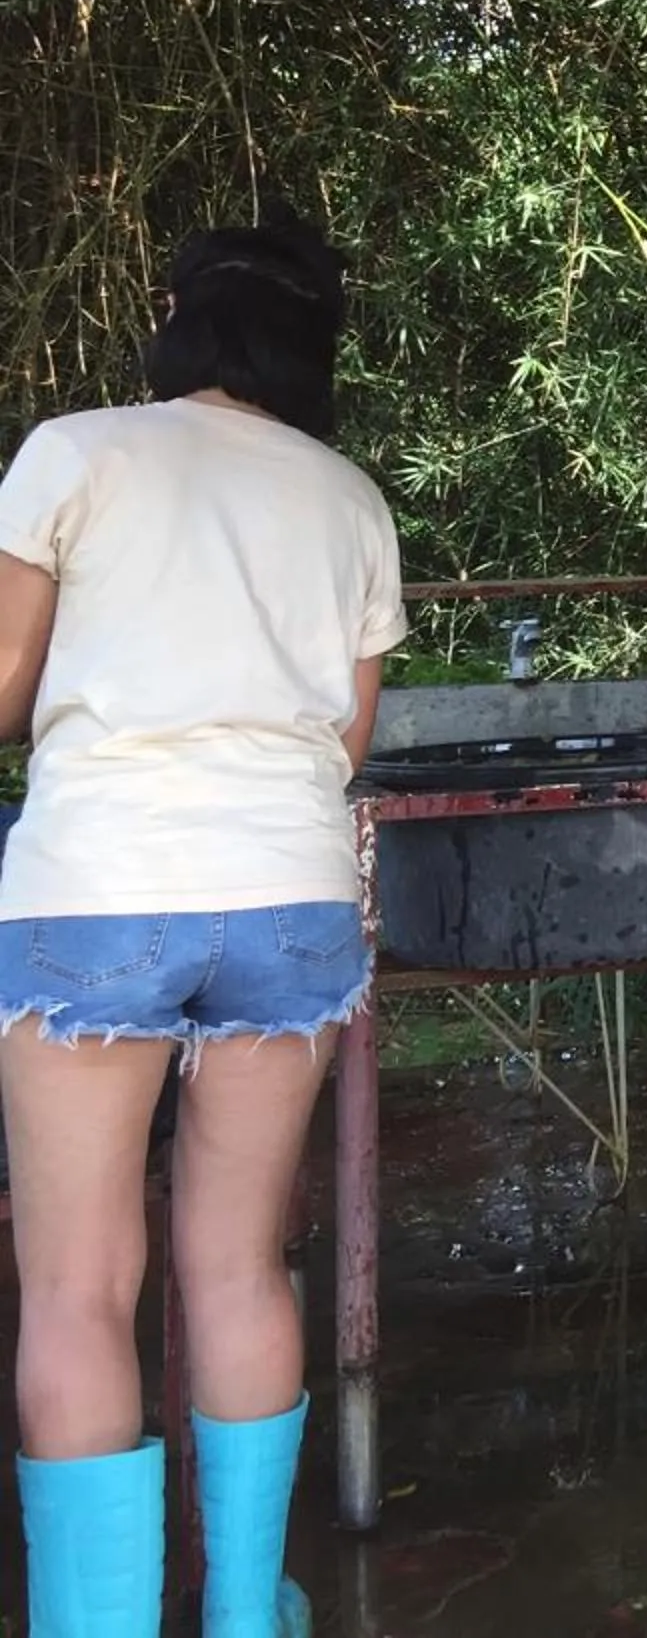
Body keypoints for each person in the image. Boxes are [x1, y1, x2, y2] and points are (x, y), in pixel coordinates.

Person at [0, 221, 404, 1638]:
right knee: (238, 1263)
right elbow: (344, 737)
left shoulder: (75, 449)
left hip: (97, 889)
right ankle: (245, 1613)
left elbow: (1, 679)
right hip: (287, 893)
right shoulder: (349, 496)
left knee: (76, 1285)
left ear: (179, 317)